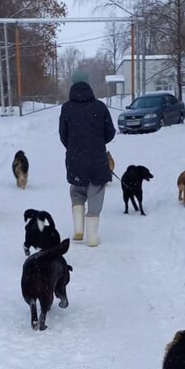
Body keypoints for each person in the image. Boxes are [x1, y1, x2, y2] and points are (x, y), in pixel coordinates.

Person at [58, 77, 116, 246]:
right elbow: (110, 132)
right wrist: (97, 142)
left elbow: (63, 134)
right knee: (96, 191)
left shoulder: (67, 108)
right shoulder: (100, 107)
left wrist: (73, 146)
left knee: (77, 190)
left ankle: (78, 228)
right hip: (97, 157)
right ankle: (92, 237)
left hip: (75, 158)